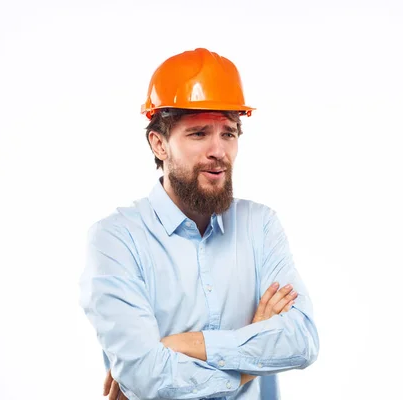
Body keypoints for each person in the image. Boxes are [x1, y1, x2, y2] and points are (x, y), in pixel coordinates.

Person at [79, 48, 319, 400]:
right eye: (198, 134)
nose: (218, 150)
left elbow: (302, 341)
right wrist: (250, 362)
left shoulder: (260, 227)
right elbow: (148, 378)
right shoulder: (116, 239)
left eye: (229, 133)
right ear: (159, 143)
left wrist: (185, 345)